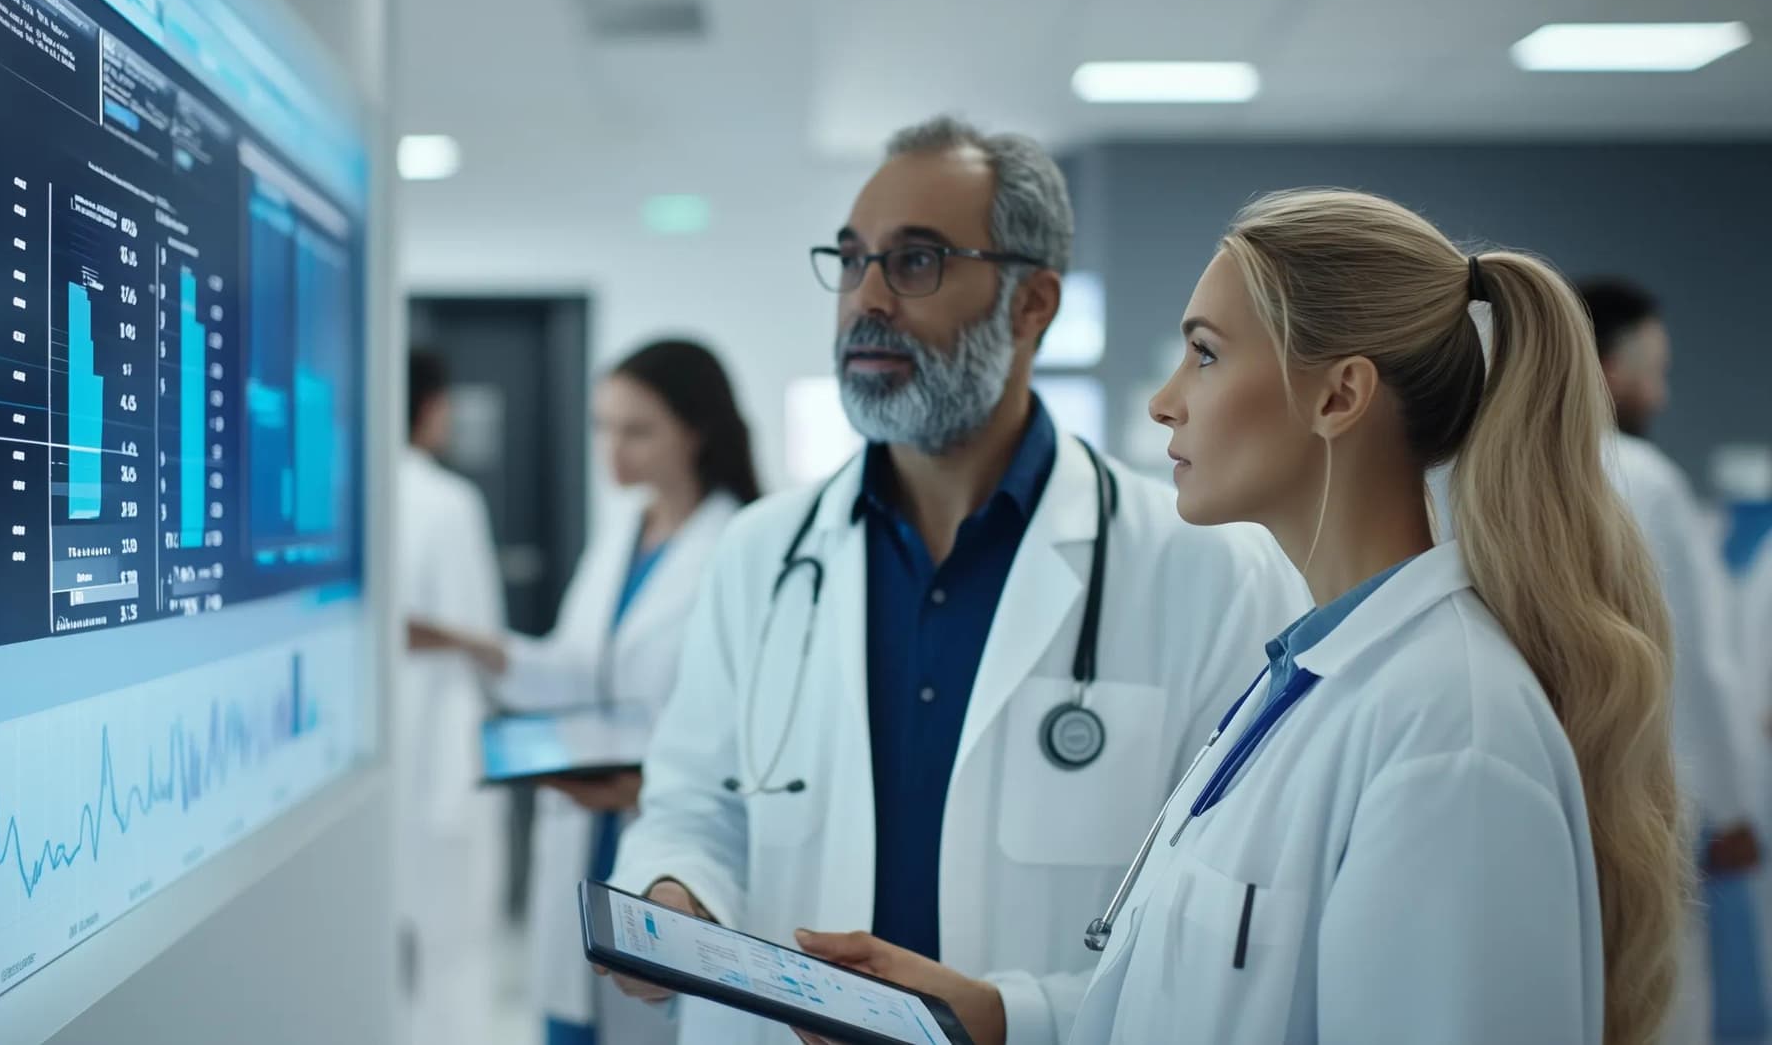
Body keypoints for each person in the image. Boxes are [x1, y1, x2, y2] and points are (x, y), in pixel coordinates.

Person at [794, 189, 1686, 1045]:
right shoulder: (1308, 683)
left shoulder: (1453, 731)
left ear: (1339, 397)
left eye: (1206, 353)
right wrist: (992, 1016)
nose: (1164, 399)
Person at [600, 117, 1309, 1045]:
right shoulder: (763, 551)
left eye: (918, 262)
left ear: (1032, 305)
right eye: (852, 262)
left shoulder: (1209, 570)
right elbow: (694, 803)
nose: (868, 300)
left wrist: (1018, 1018)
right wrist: (673, 893)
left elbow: (1231, 921)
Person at [469, 339, 762, 1045]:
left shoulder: (743, 546)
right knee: (573, 1015)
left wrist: (640, 791)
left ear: (695, 431)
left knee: (655, 1015)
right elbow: (576, 669)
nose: (612, 449)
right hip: (584, 828)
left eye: (636, 430)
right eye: (603, 426)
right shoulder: (620, 535)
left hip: (668, 842)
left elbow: (752, 737)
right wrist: (468, 643)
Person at [1580, 277, 1762, 1043]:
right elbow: (1698, 660)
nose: (1659, 390)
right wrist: (1734, 805)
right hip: (1639, 806)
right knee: (1657, 1006)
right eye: (1653, 369)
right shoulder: (1645, 481)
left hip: (1535, 786)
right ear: (1613, 372)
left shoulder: (1479, 468)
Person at [395, 346, 510, 1045]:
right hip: (442, 747)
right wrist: (493, 652)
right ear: (431, 407)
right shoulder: (446, 500)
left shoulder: (349, 491)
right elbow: (481, 632)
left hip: (383, 755)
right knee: (455, 946)